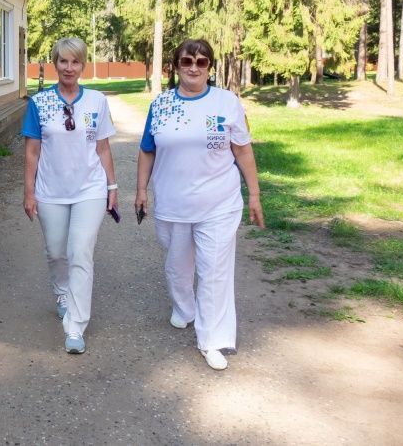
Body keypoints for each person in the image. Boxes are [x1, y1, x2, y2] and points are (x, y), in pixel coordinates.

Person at [135, 38, 264, 371]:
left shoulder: (227, 103)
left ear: (210, 67)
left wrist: (254, 194)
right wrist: (141, 191)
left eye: (201, 61)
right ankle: (184, 307)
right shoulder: (161, 104)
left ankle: (212, 340)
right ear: (176, 66)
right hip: (173, 204)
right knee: (178, 266)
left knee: (214, 273)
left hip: (220, 202)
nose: (194, 67)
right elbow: (147, 150)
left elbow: (243, 151)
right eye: (187, 61)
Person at [22, 37, 119, 355]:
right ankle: (62, 292)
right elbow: (32, 152)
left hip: (90, 189)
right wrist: (29, 192)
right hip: (50, 191)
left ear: (83, 65)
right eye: (63, 61)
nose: (68, 67)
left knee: (80, 252)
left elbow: (103, 148)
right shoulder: (39, 103)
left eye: (75, 61)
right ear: (55, 64)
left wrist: (112, 187)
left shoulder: (97, 101)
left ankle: (75, 326)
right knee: (56, 252)